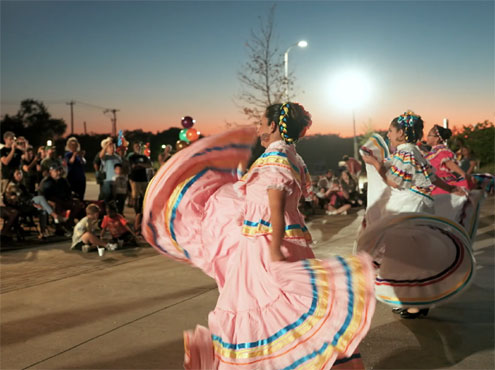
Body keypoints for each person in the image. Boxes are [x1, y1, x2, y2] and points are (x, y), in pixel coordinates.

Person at [142, 102, 376, 369]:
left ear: (274, 126)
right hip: (275, 241)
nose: (258, 128)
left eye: (262, 123)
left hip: (263, 247)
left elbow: (275, 201)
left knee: (264, 313)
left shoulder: (275, 158)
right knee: (286, 315)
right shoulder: (291, 156)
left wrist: (274, 250)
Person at [359, 112, 474, 319]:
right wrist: (450, 188)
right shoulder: (415, 152)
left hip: (409, 207)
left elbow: (395, 182)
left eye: (391, 131)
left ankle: (415, 302)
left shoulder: (406, 153)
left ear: (401, 133)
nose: (388, 134)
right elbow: (431, 177)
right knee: (414, 253)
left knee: (406, 255)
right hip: (417, 205)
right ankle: (416, 300)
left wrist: (377, 165)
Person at [424, 125, 471, 194]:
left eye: (429, 135)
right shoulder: (433, 152)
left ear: (437, 138)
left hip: (442, 185)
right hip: (436, 184)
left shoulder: (441, 150)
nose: (427, 137)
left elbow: (449, 163)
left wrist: (463, 174)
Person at [127, 142, 151, 212]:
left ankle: (143, 210)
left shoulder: (144, 157)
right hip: (135, 179)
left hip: (144, 179)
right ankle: (137, 212)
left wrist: (139, 164)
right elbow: (132, 166)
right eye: (136, 146)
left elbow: (149, 165)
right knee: (135, 197)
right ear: (133, 148)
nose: (138, 147)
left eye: (139, 146)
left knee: (145, 196)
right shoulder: (131, 157)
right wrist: (143, 165)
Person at [98, 137, 121, 204]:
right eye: (110, 147)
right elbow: (100, 156)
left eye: (113, 147)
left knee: (114, 199)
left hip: (116, 180)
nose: (112, 148)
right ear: (107, 149)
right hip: (107, 180)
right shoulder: (106, 157)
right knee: (106, 197)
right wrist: (107, 145)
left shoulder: (117, 157)